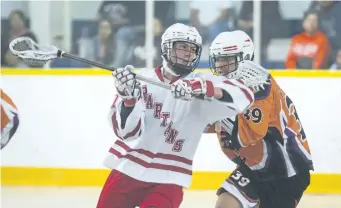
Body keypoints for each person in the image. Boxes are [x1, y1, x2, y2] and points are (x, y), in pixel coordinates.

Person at [96, 23, 262, 208]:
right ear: (167, 47)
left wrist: (200, 88)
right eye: (183, 46)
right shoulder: (141, 80)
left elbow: (244, 95)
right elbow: (126, 133)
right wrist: (127, 99)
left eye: (193, 49)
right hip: (127, 169)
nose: (188, 53)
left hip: (169, 178)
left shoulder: (202, 82)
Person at [208, 31, 314, 208]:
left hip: (285, 170)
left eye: (228, 59)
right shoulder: (229, 86)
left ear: (245, 57)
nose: (221, 66)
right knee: (225, 204)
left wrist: (209, 100)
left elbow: (250, 135)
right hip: (255, 167)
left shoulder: (258, 85)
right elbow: (207, 123)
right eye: (218, 59)